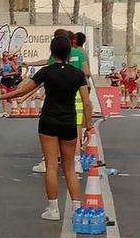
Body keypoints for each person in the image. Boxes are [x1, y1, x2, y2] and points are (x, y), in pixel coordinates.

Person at [7, 33, 98, 220]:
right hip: (69, 121)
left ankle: (53, 209)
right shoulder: (77, 74)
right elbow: (87, 103)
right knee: (70, 166)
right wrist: (88, 127)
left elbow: (23, 90)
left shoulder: (46, 71)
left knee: (51, 166)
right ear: (69, 52)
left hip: (48, 120)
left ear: (52, 52)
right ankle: (76, 208)